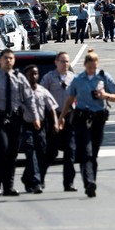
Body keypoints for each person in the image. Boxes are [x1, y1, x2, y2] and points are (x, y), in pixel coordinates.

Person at [0, 49, 41, 196]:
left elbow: (29, 99)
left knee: (12, 153)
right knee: (3, 149)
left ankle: (9, 186)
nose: (8, 61)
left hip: (15, 118)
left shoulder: (19, 78)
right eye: (6, 58)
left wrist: (35, 117)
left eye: (11, 58)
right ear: (0, 60)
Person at [58, 50, 115, 198]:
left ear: (97, 65)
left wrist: (105, 96)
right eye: (89, 66)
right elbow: (70, 99)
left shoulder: (104, 77)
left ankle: (92, 181)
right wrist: (61, 117)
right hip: (82, 119)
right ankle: (89, 181)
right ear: (85, 65)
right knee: (86, 152)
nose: (91, 69)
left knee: (94, 154)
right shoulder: (78, 79)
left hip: (98, 118)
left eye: (94, 66)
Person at [41, 51, 77, 192]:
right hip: (53, 117)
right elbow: (42, 95)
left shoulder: (73, 78)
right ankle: (39, 178)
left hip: (69, 116)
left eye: (67, 61)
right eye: (62, 61)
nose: (65, 64)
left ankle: (69, 183)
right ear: (56, 62)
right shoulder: (49, 78)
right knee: (51, 151)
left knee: (70, 150)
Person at [21, 65, 58, 194]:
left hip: (41, 127)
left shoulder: (42, 91)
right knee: (31, 154)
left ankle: (27, 177)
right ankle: (37, 182)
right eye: (31, 74)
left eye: (35, 74)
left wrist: (55, 123)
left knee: (42, 154)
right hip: (26, 126)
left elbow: (51, 108)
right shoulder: (21, 92)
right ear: (25, 76)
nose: (33, 76)